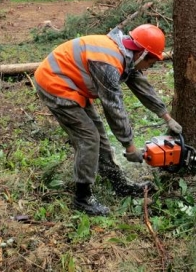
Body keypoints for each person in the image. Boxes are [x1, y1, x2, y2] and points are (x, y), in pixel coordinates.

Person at [33, 24, 183, 216]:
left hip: (72, 84)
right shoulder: (108, 63)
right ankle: (82, 198)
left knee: (100, 136)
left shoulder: (125, 54)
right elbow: (113, 107)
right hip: (55, 83)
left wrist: (166, 116)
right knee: (89, 138)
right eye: (151, 63)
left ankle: (118, 184)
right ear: (143, 54)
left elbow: (142, 87)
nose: (149, 68)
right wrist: (129, 146)